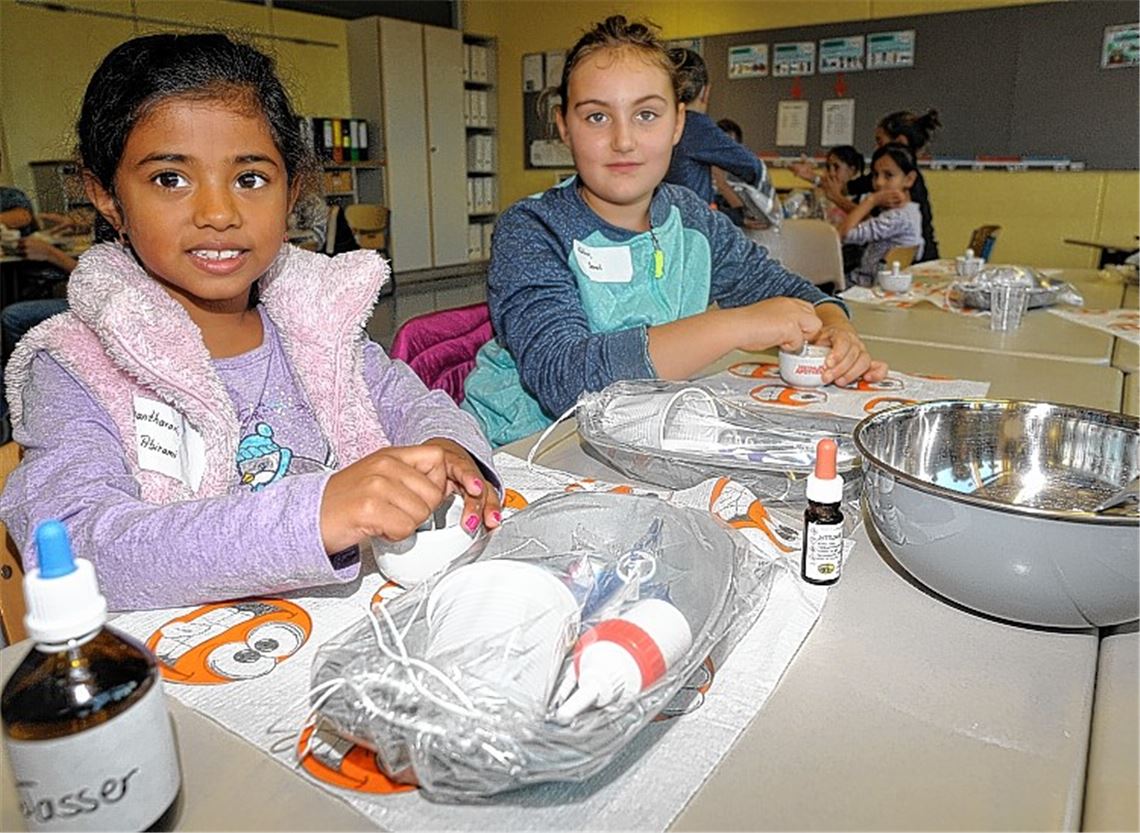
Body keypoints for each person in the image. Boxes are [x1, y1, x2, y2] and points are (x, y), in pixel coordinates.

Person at [0, 32, 502, 611]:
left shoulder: (319, 328)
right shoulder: (74, 368)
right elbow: (80, 548)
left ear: (292, 190)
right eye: (170, 178)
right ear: (106, 195)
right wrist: (316, 514)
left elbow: (413, 400)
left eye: (250, 178)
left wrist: (448, 447)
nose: (218, 213)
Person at [461, 15, 886, 447]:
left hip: (640, 440)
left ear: (678, 123)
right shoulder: (532, 229)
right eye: (596, 117)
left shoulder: (691, 218)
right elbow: (565, 379)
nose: (623, 140)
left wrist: (836, 327)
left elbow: (788, 291)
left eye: (646, 114)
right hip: (525, 449)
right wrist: (732, 327)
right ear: (564, 126)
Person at [793, 109, 941, 260]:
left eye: (879, 141)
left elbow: (859, 225)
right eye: (877, 175)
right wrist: (813, 178)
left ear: (900, 142)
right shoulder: (889, 177)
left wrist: (842, 199)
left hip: (912, 265)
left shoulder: (905, 189)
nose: (879, 182)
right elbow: (845, 188)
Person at [664, 48, 772, 209]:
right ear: (705, 92)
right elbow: (753, 168)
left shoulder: (654, 124)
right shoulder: (694, 124)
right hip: (687, 227)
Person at [837, 144, 924, 287]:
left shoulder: (896, 218)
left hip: (862, 287)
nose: (878, 182)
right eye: (875, 175)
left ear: (909, 179)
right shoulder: (912, 211)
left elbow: (842, 234)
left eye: (888, 175)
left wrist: (871, 200)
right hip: (872, 283)